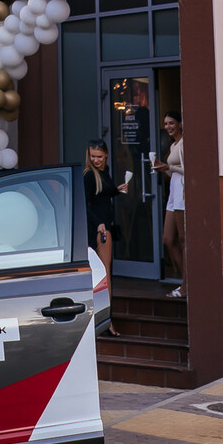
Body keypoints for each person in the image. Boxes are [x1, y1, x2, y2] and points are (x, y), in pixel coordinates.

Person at [82, 140, 128, 330]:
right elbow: (85, 204)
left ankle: (105, 320)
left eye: (99, 156)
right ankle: (106, 321)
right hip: (99, 229)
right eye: (93, 156)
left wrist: (117, 190)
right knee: (104, 274)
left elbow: (102, 195)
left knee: (104, 272)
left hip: (103, 225)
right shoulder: (89, 175)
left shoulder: (103, 171)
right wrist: (98, 222)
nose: (96, 160)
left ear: (106, 155)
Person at [152, 111, 185, 298]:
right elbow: (174, 173)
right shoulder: (173, 145)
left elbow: (189, 169)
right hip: (173, 193)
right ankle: (186, 280)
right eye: (165, 124)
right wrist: (162, 168)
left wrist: (169, 167)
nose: (168, 127)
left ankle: (186, 285)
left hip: (182, 194)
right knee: (168, 239)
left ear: (180, 124)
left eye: (171, 123)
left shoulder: (184, 143)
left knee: (182, 240)